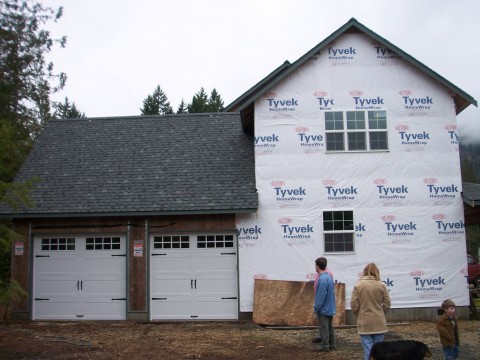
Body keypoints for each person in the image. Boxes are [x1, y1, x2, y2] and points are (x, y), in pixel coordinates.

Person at [350, 263, 391, 360]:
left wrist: (358, 314)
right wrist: (381, 312)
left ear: (365, 271)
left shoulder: (358, 285)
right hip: (379, 321)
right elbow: (387, 303)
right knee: (379, 350)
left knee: (368, 350)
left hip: (364, 321)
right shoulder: (381, 285)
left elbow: (353, 304)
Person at [313, 257, 336, 352]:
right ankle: (332, 344)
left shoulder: (322, 280)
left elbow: (320, 297)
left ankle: (325, 346)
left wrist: (316, 308)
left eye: (315, 266)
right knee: (330, 327)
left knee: (324, 328)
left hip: (324, 309)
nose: (315, 267)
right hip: (330, 307)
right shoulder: (329, 278)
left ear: (318, 266)